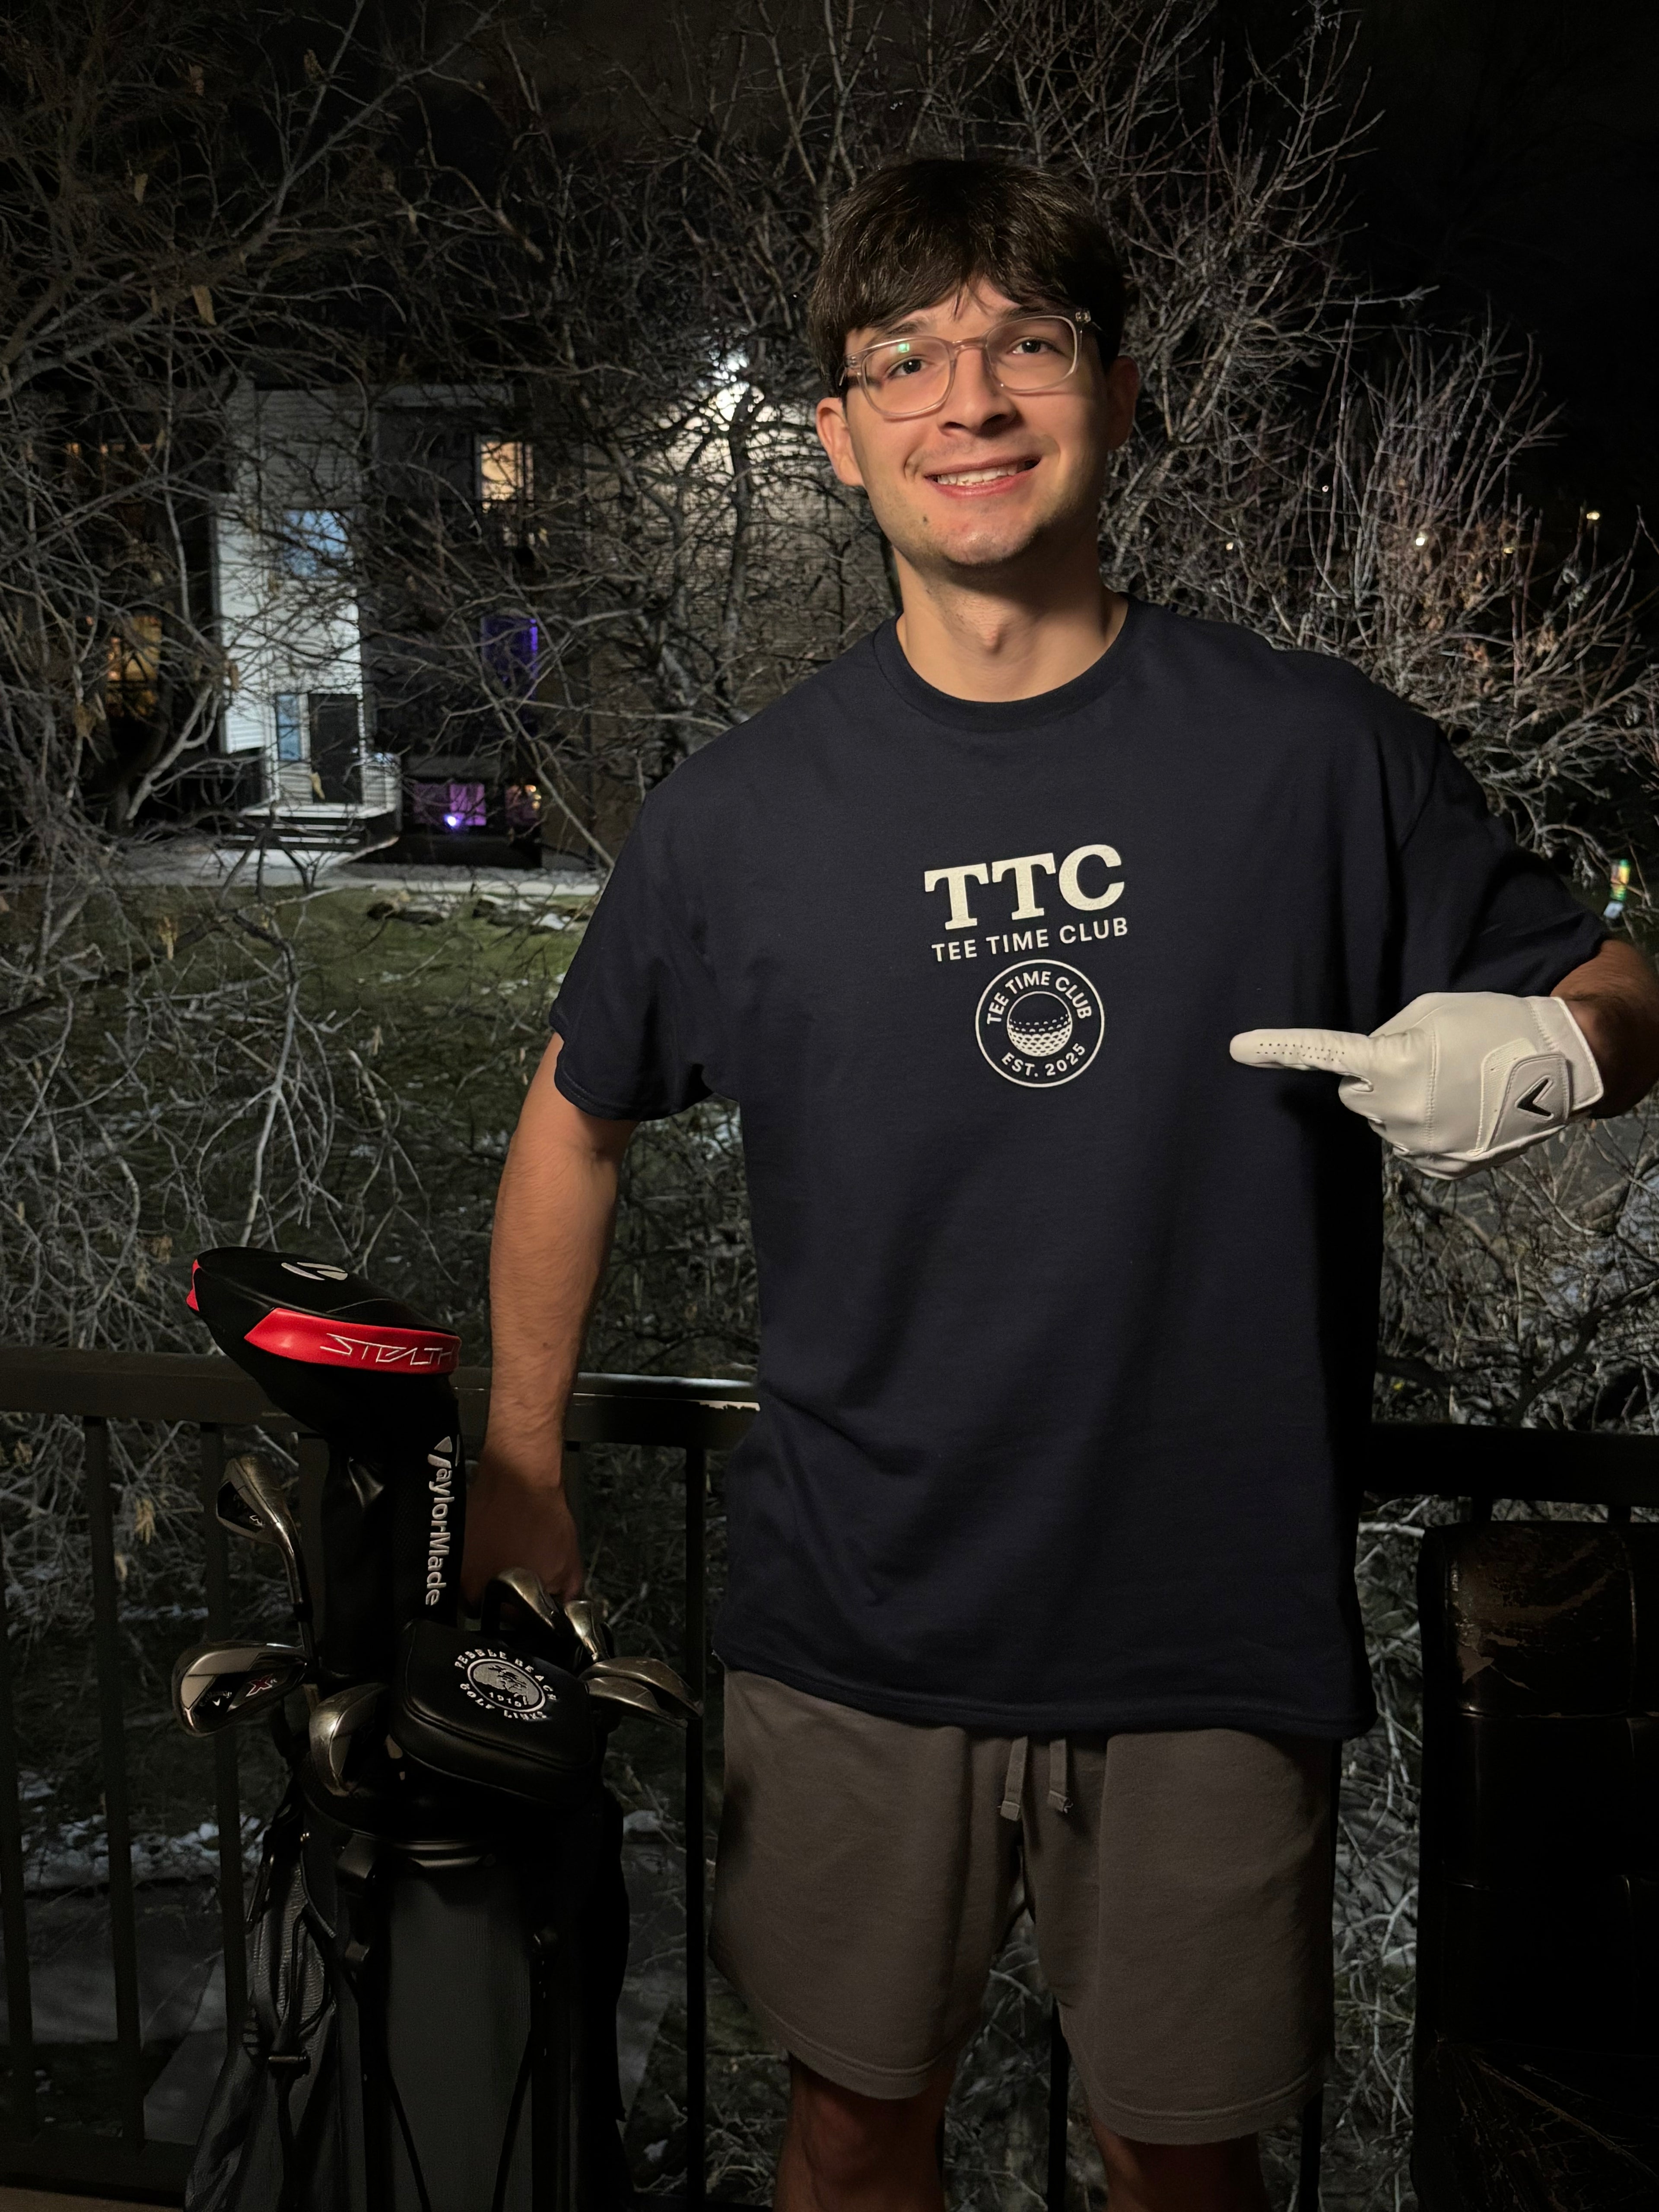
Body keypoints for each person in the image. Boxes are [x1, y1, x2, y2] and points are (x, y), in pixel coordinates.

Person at [462, 159, 1659, 2212]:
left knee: (1181, 2159)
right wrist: (520, 1455)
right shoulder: (738, 817)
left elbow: (1618, 984)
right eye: (907, 359)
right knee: (851, 2131)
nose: (972, 400)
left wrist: (1563, 1055)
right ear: (838, 436)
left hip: (1208, 1629)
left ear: (1116, 390)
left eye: (1028, 342)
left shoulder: (1315, 755)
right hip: (858, 1624)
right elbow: (575, 1113)